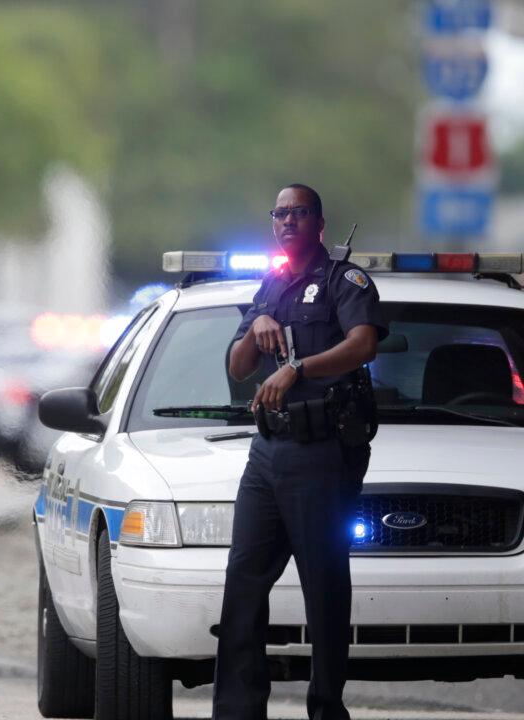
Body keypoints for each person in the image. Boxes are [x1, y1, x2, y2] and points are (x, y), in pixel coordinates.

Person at [212, 184, 387, 720]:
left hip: (320, 451)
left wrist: (300, 367)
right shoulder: (270, 285)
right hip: (267, 451)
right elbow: (238, 368)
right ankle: (238, 711)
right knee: (244, 581)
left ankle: (326, 708)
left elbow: (363, 343)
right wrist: (255, 328)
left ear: (319, 222)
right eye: (280, 213)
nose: (288, 221)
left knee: (323, 584)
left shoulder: (344, 280)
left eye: (299, 212)